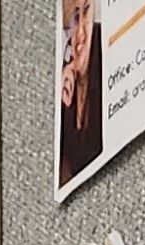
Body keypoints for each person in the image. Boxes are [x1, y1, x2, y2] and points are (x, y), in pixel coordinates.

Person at [57, 0, 102, 189]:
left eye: (86, 12)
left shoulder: (104, 82)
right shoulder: (66, 89)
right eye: (75, 18)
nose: (80, 34)